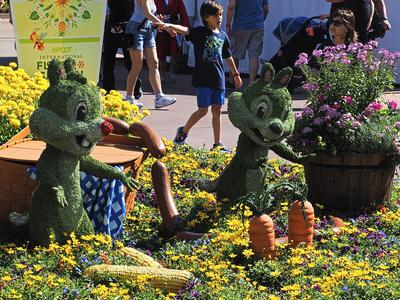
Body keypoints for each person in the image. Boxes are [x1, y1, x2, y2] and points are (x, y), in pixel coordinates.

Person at [161, 0, 242, 150]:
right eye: (216, 15)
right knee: (203, 110)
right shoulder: (199, 32)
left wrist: (235, 74)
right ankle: (183, 131)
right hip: (203, 79)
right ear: (206, 17)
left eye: (221, 15)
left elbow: (227, 56)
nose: (220, 18)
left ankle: (217, 144)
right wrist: (169, 26)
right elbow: (185, 30)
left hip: (219, 80)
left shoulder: (223, 36)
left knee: (217, 111)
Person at [125, 0, 176, 109]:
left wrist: (157, 22)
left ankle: (159, 97)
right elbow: (147, 13)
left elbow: (148, 16)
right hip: (136, 29)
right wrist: (165, 27)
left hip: (148, 30)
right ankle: (129, 97)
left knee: (154, 63)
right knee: (137, 65)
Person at [102, 0, 143, 104]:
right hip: (112, 26)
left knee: (129, 61)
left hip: (127, 27)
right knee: (108, 60)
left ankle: (136, 88)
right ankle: (108, 90)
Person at [225, 0, 269, 87]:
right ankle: (251, 85)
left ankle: (232, 81)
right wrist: (260, 20)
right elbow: (266, 8)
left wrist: (228, 25)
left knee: (235, 54)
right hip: (257, 26)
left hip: (240, 26)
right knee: (254, 56)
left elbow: (231, 7)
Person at [154, 0, 190, 84]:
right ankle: (162, 72)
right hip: (160, 27)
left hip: (174, 27)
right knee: (161, 51)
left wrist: (186, 29)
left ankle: (171, 70)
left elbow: (183, 13)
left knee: (174, 50)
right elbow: (152, 12)